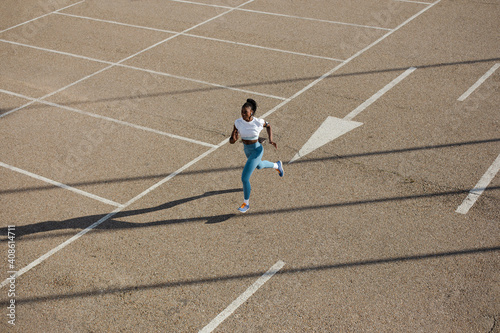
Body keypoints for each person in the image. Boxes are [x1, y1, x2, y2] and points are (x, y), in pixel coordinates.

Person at [229, 98, 284, 213]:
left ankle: (246, 204)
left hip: (257, 150)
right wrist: (233, 139)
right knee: (259, 166)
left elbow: (268, 126)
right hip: (247, 150)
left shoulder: (258, 122)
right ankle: (277, 165)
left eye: (245, 112)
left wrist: (271, 140)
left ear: (251, 112)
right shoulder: (238, 122)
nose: (243, 114)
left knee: (244, 178)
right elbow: (232, 139)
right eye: (242, 111)